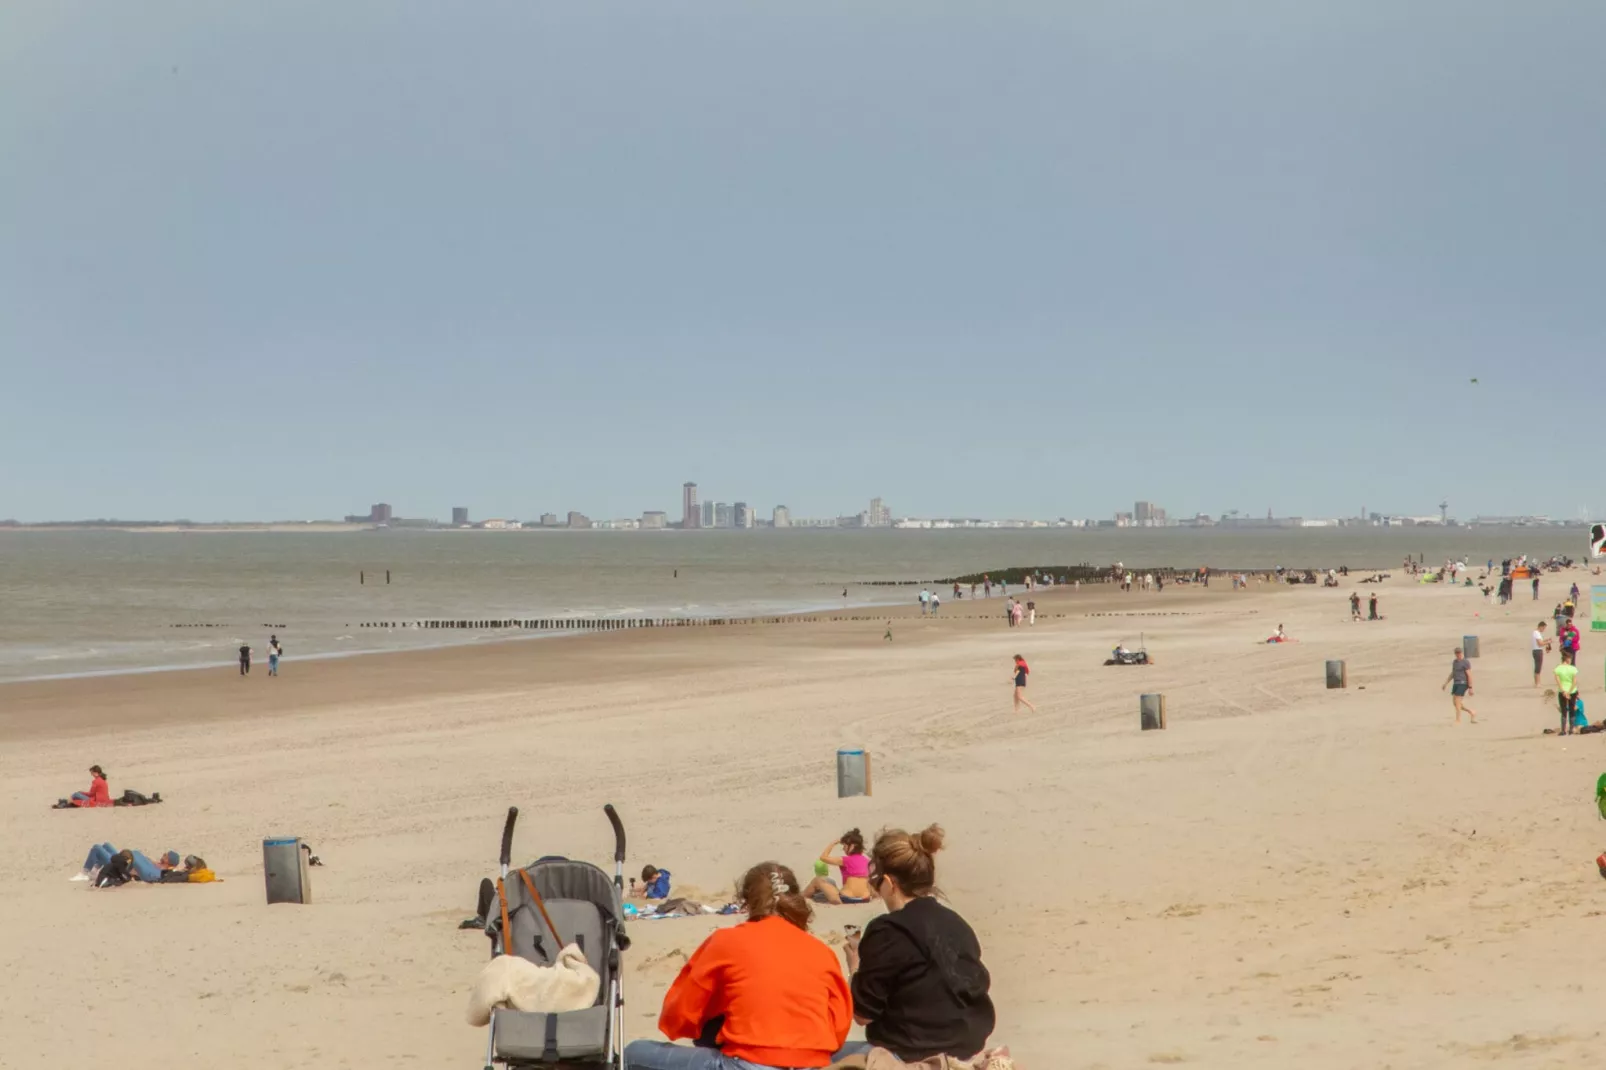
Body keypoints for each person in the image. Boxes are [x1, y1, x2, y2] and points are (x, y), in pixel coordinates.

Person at [622, 863, 850, 1070]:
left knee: (633, 1053)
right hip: (813, 1064)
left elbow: (678, 1015)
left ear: (746, 901)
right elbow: (839, 1028)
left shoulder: (726, 941)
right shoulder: (822, 951)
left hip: (748, 1063)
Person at [838, 826, 994, 1063]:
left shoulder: (888, 929)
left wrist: (854, 967)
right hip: (966, 1047)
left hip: (910, 1051)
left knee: (815, 1061)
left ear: (889, 883)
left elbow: (862, 1014)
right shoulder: (957, 924)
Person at [800, 829, 873, 905]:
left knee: (817, 880)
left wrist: (834, 843)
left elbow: (823, 857)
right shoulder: (867, 861)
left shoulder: (846, 860)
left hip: (846, 899)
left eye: (845, 846)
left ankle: (800, 897)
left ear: (852, 846)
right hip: (864, 899)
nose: (843, 849)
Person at [76, 845, 179, 884]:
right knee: (106, 845)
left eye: (166, 855)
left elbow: (140, 873)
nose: (163, 855)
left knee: (97, 848)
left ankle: (84, 873)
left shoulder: (159, 871)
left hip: (122, 866)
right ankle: (94, 871)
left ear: (169, 861)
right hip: (125, 859)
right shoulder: (157, 865)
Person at [1442, 647, 1477, 724]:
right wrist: (1446, 683)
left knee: (1457, 701)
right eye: (1457, 653)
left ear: (1462, 653)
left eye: (1459, 653)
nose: (1458, 654)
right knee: (1455, 703)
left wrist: (1470, 688)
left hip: (1463, 683)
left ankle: (1458, 720)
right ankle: (1471, 711)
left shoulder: (1465, 662)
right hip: (1456, 683)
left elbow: (1469, 675)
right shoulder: (1455, 662)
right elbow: (1453, 674)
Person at [1556, 652, 1581, 736]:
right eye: (1570, 659)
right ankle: (1571, 729)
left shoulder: (1558, 669)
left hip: (1562, 691)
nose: (1571, 660)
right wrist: (1569, 692)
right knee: (1572, 710)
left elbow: (1558, 682)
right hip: (1572, 691)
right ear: (1567, 659)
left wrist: (1563, 691)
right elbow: (1574, 682)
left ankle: (1563, 730)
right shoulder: (1573, 669)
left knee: (1563, 710)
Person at [1533, 621, 1552, 687]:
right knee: (1538, 667)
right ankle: (1537, 683)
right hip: (1537, 651)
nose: (1543, 630)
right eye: (1543, 628)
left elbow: (1540, 642)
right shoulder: (1536, 633)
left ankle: (1538, 683)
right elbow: (1540, 644)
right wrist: (1548, 642)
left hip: (1537, 650)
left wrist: (1546, 640)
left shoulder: (1536, 633)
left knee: (1538, 666)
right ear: (1541, 626)